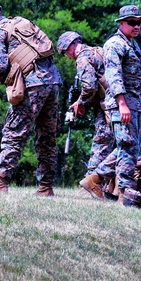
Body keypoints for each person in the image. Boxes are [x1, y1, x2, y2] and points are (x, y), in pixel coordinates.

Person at [0, 1, 61, 195]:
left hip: (32, 86)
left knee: (13, 132)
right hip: (53, 82)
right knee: (47, 137)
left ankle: (1, 184)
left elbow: (1, 66)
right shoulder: (21, 22)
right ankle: (46, 187)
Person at [83, 6, 141, 201]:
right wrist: (122, 104)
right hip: (122, 105)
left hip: (136, 105)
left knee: (129, 148)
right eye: (132, 22)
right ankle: (124, 193)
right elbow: (114, 76)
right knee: (127, 146)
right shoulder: (114, 44)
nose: (136, 26)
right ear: (121, 23)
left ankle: (94, 178)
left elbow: (138, 77)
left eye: (139, 22)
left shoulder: (132, 44)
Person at [56, 31, 113, 187]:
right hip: (114, 102)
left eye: (64, 53)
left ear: (70, 46)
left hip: (108, 105)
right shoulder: (97, 51)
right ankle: (107, 184)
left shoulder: (82, 58)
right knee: (113, 143)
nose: (67, 57)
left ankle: (92, 183)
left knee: (102, 142)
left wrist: (80, 103)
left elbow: (90, 86)